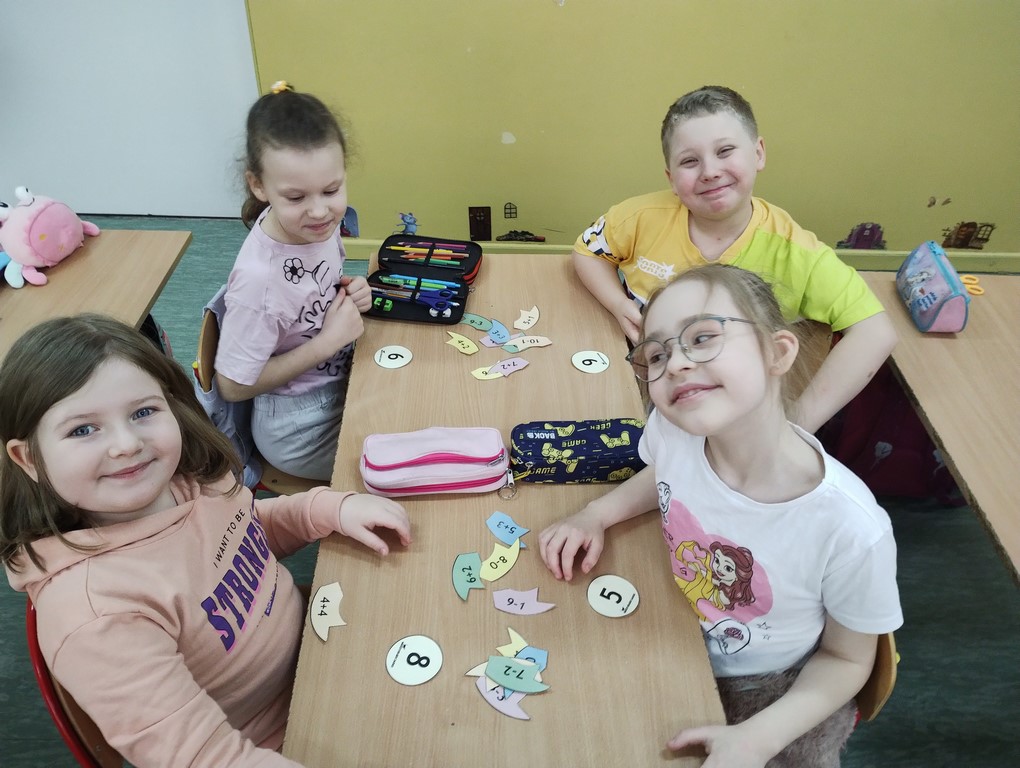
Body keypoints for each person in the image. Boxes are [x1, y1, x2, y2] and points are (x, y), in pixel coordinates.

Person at [0, 314, 412, 768]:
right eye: (82, 429)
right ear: (28, 459)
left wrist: (323, 509)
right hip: (285, 738)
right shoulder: (96, 615)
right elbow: (204, 758)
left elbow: (249, 532)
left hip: (323, 645)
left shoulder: (189, 481)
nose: (126, 444)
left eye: (142, 412)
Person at [539, 265, 902, 767]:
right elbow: (665, 473)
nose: (676, 364)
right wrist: (596, 513)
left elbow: (846, 660)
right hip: (679, 642)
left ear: (777, 353)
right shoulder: (676, 433)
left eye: (703, 337)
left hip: (775, 696)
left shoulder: (851, 528)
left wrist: (758, 739)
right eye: (657, 354)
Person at [572, 85, 897, 433]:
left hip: (729, 412)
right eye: (689, 161)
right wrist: (617, 303)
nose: (709, 171)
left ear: (758, 153)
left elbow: (875, 331)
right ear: (671, 178)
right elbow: (588, 252)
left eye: (725, 151)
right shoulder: (640, 216)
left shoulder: (796, 253)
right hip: (638, 380)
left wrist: (797, 424)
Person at [215, 80, 369, 481]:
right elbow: (231, 386)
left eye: (331, 190)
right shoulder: (259, 283)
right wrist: (328, 342)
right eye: (296, 198)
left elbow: (312, 292)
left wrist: (350, 293)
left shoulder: (311, 228)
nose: (319, 211)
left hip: (340, 375)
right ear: (258, 186)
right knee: (407, 447)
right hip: (298, 427)